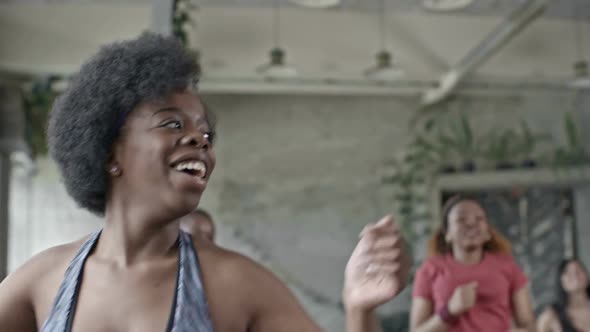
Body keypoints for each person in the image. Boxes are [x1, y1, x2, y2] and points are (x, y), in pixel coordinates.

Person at [0, 33, 410, 332]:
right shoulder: (43, 279)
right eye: (172, 124)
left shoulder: (236, 283)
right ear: (110, 152)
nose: (199, 139)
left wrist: (359, 309)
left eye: (206, 135)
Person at [410, 195, 535, 332]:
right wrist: (450, 311)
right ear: (448, 234)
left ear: (487, 232)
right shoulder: (430, 269)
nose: (471, 224)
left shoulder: (507, 266)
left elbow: (528, 325)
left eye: (479, 218)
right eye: (461, 219)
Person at [537, 258, 590, 332]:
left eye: (578, 270)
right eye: (568, 272)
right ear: (560, 281)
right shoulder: (551, 316)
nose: (575, 275)